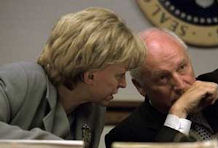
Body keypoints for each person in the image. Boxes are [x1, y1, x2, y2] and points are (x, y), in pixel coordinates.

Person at [0, 7, 146, 148]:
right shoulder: (21, 80)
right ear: (90, 76)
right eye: (119, 75)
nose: (123, 84)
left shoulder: (95, 108)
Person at [105, 28, 218, 148]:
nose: (180, 85)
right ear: (140, 86)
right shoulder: (126, 136)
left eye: (182, 67)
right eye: (163, 77)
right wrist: (179, 112)